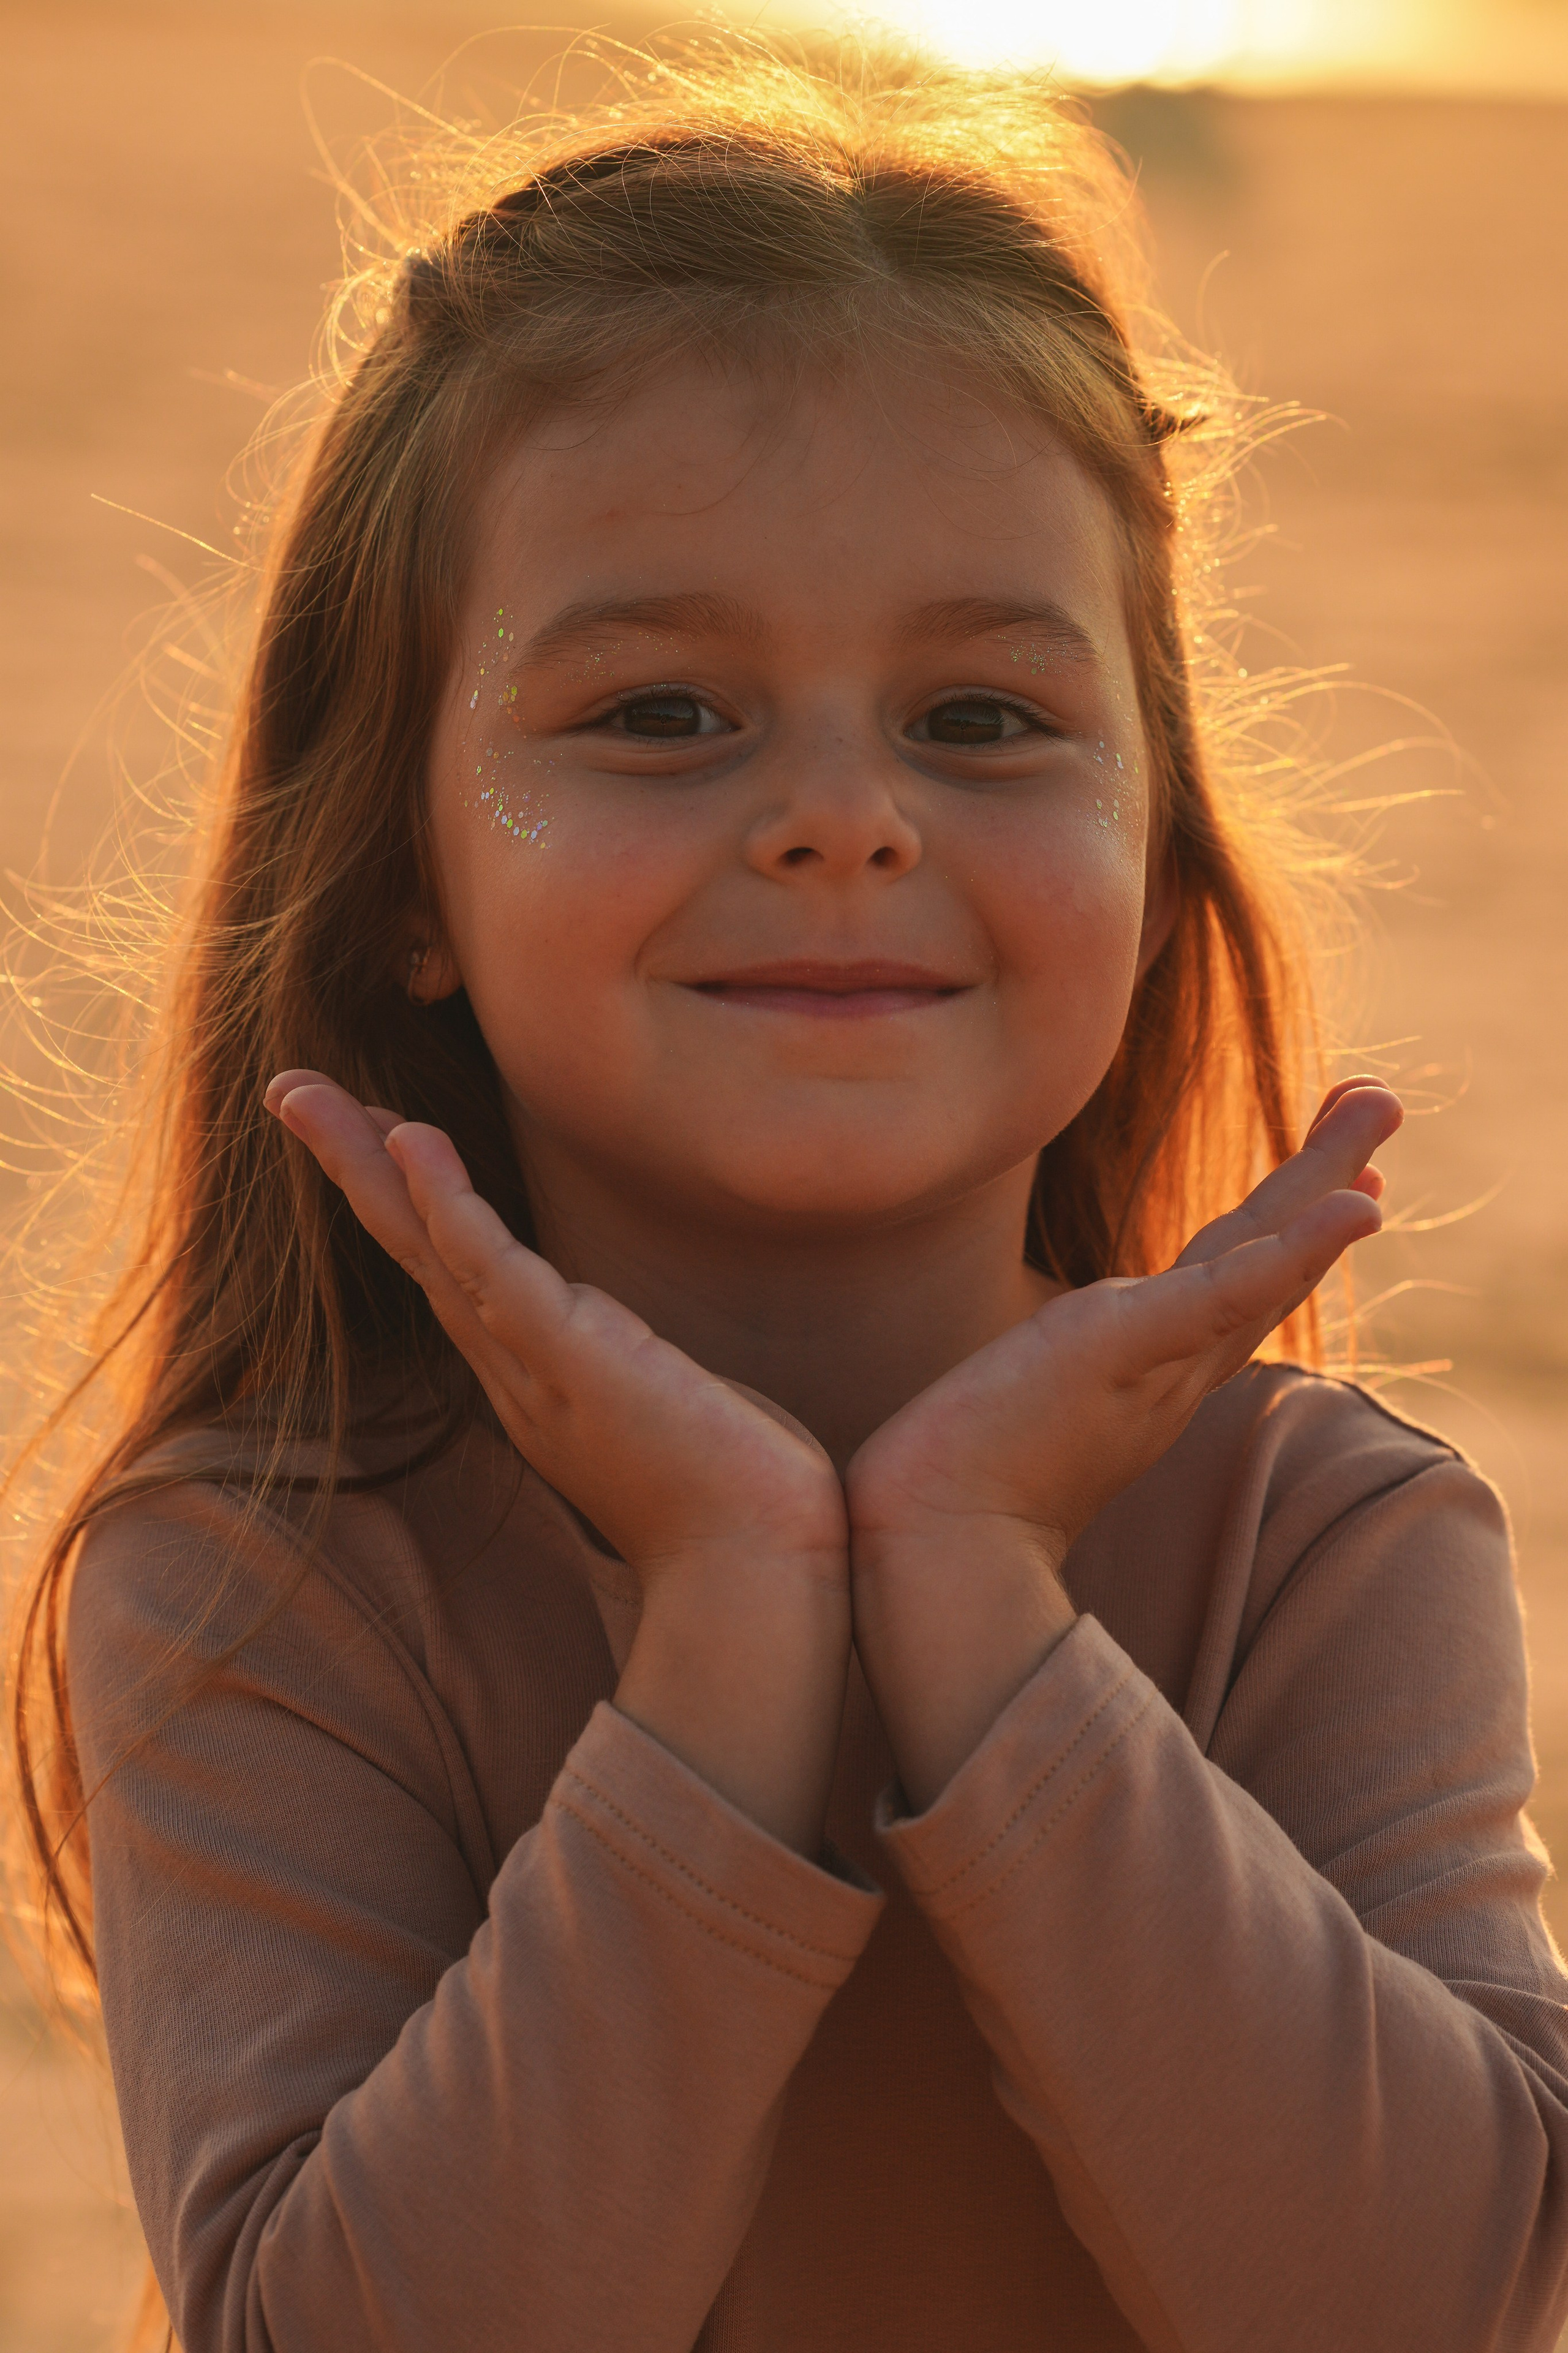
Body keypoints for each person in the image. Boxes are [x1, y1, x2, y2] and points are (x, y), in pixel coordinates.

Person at [10, 41, 1567, 2353]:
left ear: (1154, 865)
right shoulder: (265, 1574)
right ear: (404, 873)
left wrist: (980, 1597)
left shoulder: (1319, 1538)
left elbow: (1423, 2304)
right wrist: (733, 1626)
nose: (847, 815)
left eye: (982, 718)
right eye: (660, 714)